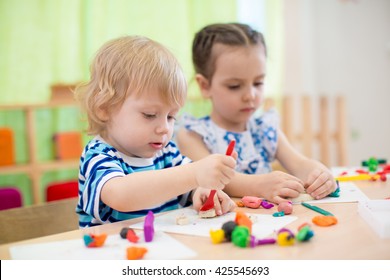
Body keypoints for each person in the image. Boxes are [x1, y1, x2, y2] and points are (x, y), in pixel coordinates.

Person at [74, 35, 236, 227]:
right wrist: (194, 174)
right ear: (104, 108)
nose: (164, 128)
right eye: (150, 115)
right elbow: (121, 195)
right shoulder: (99, 155)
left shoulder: (166, 153)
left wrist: (199, 192)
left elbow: (185, 186)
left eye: (171, 117)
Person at [176, 23, 337, 205]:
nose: (250, 95)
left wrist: (320, 174)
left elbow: (299, 164)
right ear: (205, 86)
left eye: (258, 83)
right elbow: (210, 177)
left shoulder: (265, 128)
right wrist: (260, 184)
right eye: (234, 86)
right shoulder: (193, 134)